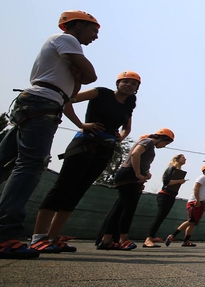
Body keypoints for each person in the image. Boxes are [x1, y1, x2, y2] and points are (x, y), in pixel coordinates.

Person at [0, 10, 99, 259]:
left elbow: (71, 93)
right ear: (77, 26)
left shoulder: (61, 54)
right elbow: (91, 75)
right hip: (42, 105)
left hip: (39, 103)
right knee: (29, 166)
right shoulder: (67, 40)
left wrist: (77, 79)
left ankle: (1, 234)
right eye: (94, 30)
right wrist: (80, 72)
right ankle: (2, 236)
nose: (96, 36)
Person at [31, 70, 139, 253]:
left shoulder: (129, 104)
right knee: (63, 187)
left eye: (134, 84)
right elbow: (68, 100)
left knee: (78, 191)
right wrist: (80, 124)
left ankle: (52, 237)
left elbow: (127, 127)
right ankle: (38, 237)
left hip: (105, 150)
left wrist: (120, 137)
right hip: (84, 143)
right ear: (118, 82)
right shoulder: (101, 92)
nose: (129, 85)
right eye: (125, 81)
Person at [96, 128, 174, 251]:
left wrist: (145, 173)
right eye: (166, 143)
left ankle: (106, 240)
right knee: (128, 209)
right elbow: (135, 154)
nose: (164, 146)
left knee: (119, 208)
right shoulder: (148, 141)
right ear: (162, 138)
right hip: (129, 175)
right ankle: (123, 239)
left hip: (127, 174)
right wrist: (138, 174)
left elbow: (139, 158)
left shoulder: (148, 144)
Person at [142, 154, 188, 248]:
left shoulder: (178, 171)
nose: (185, 159)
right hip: (164, 195)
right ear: (177, 159)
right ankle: (148, 239)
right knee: (159, 217)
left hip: (171, 196)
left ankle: (151, 237)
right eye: (183, 157)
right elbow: (167, 182)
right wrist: (179, 181)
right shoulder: (171, 168)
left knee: (162, 217)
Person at [166, 164, 205, 247]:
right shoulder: (201, 178)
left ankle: (186, 240)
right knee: (190, 220)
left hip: (201, 202)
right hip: (194, 202)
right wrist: (197, 200)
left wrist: (204, 203)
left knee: (193, 223)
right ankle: (172, 235)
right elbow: (196, 188)